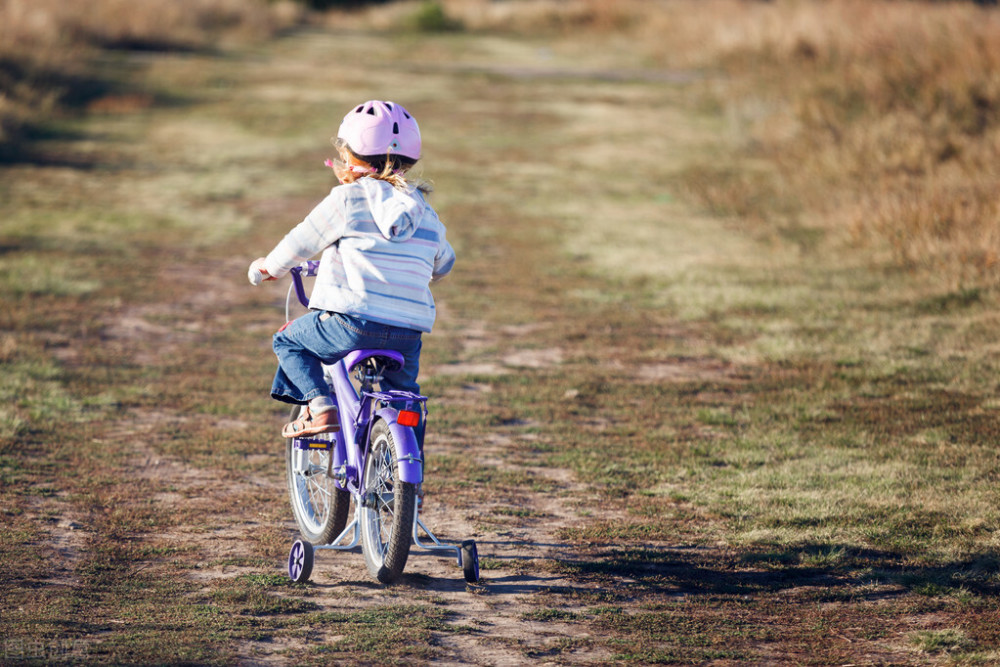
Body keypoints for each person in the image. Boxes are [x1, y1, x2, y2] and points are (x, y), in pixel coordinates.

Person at [247, 100, 455, 439]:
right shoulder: (423, 211)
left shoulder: (348, 199)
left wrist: (268, 268)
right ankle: (406, 474)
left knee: (288, 341)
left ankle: (321, 407)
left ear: (351, 157)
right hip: (408, 331)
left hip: (351, 322)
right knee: (404, 397)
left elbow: (300, 242)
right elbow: (445, 262)